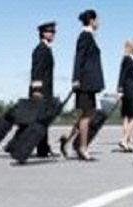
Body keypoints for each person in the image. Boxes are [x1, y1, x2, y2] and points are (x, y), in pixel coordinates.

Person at [60, 9, 104, 161]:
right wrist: (75, 79)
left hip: (89, 83)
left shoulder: (90, 36)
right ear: (91, 20)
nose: (99, 22)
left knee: (89, 114)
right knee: (86, 115)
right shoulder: (85, 36)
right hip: (84, 83)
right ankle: (82, 148)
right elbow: (78, 58)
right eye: (97, 20)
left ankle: (67, 140)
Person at [30, 21, 57, 158]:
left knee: (44, 120)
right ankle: (42, 149)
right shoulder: (41, 49)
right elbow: (37, 70)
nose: (53, 34)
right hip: (41, 92)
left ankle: (44, 147)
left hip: (45, 90)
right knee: (40, 121)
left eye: (53, 32)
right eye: (50, 32)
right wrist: (36, 90)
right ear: (43, 34)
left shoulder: (46, 49)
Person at [117, 39, 133, 152]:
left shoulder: (129, 59)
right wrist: (120, 89)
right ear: (131, 47)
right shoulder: (127, 59)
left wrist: (120, 90)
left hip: (126, 90)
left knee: (127, 116)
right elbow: (122, 75)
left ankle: (126, 143)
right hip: (130, 91)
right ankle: (124, 140)